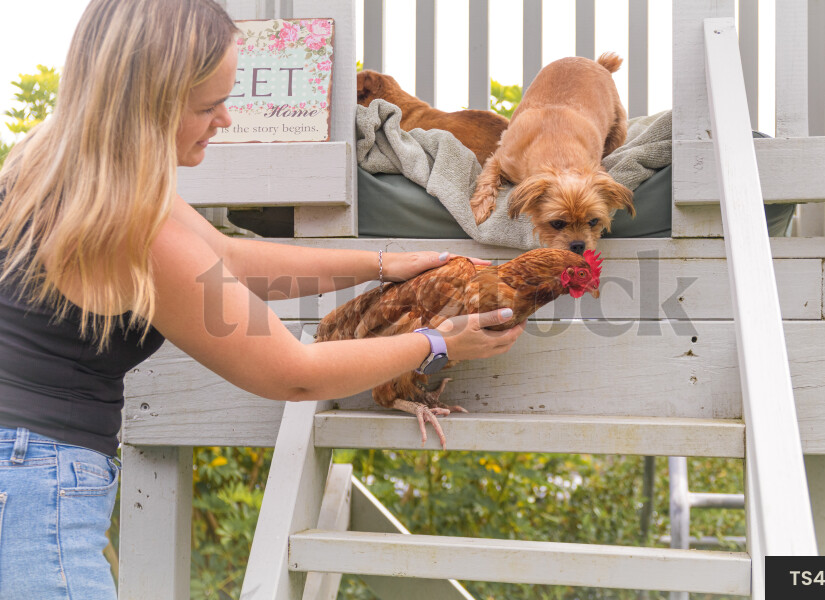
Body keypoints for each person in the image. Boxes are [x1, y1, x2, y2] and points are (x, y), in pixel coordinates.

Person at [0, 0, 524, 597]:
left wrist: (378, 262)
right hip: (35, 478)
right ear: (149, 102)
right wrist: (436, 342)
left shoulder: (62, 166)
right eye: (207, 105)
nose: (225, 120)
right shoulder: (135, 224)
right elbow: (293, 373)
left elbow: (229, 261)